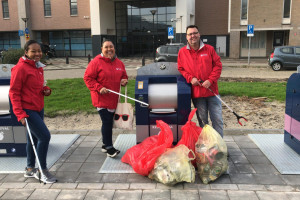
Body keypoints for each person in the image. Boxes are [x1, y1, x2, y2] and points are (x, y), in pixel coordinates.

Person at [9, 40, 57, 183]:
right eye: (33, 51)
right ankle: (43, 170)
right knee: (45, 136)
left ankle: (30, 169)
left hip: (38, 108)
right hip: (27, 110)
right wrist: (20, 114)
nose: (37, 54)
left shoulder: (38, 67)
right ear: (26, 52)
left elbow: (36, 87)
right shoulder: (20, 68)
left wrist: (45, 91)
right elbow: (14, 92)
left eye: (39, 51)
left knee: (33, 139)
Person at [84, 39, 128, 158]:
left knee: (108, 122)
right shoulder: (96, 62)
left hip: (114, 98)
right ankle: (109, 148)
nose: (109, 49)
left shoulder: (119, 63)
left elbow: (124, 75)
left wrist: (124, 80)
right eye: (106, 47)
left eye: (111, 47)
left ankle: (104, 145)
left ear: (114, 48)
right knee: (107, 122)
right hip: (101, 99)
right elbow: (88, 78)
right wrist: (99, 88)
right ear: (101, 50)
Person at [177, 25, 224, 137]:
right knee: (203, 123)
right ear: (186, 37)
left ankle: (219, 149)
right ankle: (207, 147)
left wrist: (210, 80)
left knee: (217, 120)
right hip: (197, 95)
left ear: (199, 34)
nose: (193, 36)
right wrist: (190, 78)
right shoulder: (182, 52)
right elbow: (181, 68)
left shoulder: (209, 49)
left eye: (195, 33)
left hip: (212, 92)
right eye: (190, 34)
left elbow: (218, 66)